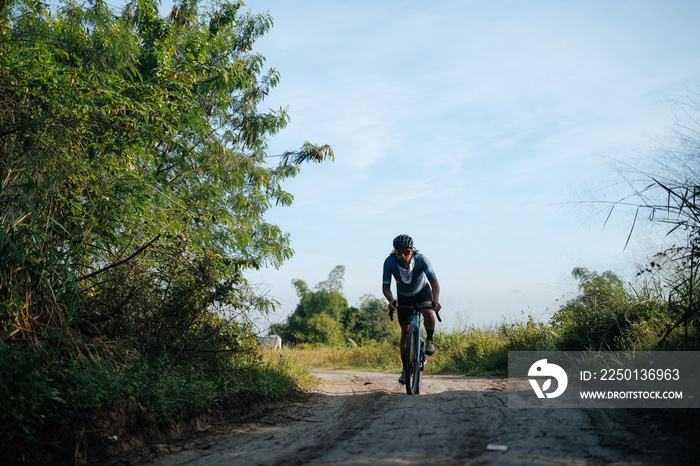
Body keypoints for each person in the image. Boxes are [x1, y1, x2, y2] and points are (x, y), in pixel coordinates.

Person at [382, 234, 441, 384]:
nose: (402, 256)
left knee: (427, 310)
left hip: (422, 291)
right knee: (405, 333)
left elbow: (434, 282)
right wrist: (391, 300)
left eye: (406, 252)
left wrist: (435, 301)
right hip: (404, 296)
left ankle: (429, 340)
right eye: (399, 252)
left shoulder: (421, 260)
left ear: (412, 251)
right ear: (394, 252)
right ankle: (405, 370)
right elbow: (386, 286)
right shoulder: (389, 262)